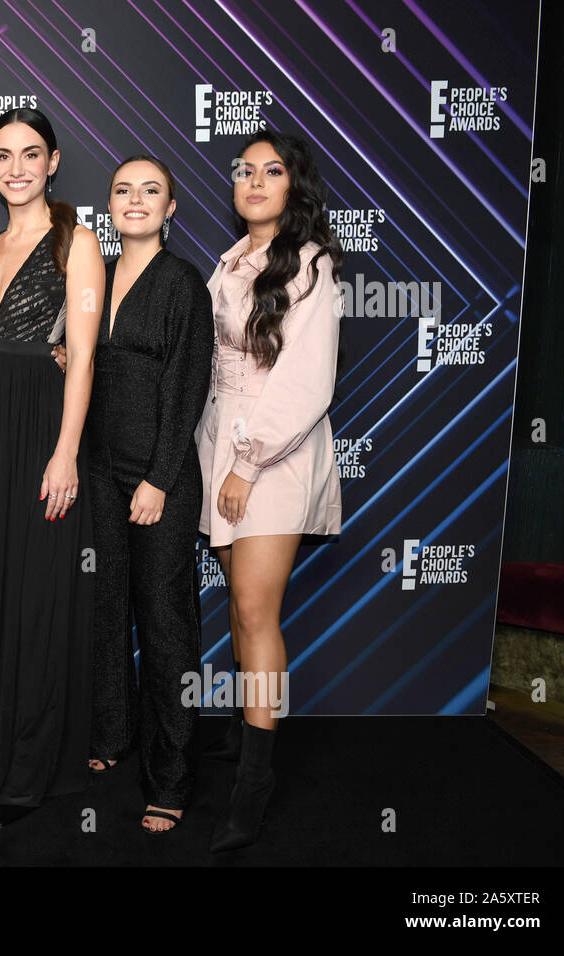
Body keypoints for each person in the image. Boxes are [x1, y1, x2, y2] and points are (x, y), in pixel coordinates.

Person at [0, 107, 105, 826]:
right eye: (3, 154)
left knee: (39, 594)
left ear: (54, 161)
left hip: (43, 430)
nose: (16, 167)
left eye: (30, 153)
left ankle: (31, 765)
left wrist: (67, 451)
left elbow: (84, 356)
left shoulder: (76, 243)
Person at [197, 129, 343, 852]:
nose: (255, 181)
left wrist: (247, 465)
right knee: (240, 604)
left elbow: (306, 385)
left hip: (271, 457)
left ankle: (256, 781)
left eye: (272, 170)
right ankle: (239, 729)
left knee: (256, 612)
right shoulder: (230, 265)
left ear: (295, 186)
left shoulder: (311, 267)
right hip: (219, 445)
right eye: (245, 171)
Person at [85, 156, 214, 833]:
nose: (135, 200)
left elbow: (187, 387)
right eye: (122, 190)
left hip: (157, 476)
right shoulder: (95, 277)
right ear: (109, 205)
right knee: (105, 607)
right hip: (97, 472)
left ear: (171, 208)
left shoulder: (183, 283)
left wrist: (159, 480)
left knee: (164, 623)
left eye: (151, 191)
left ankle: (172, 774)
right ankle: (111, 737)